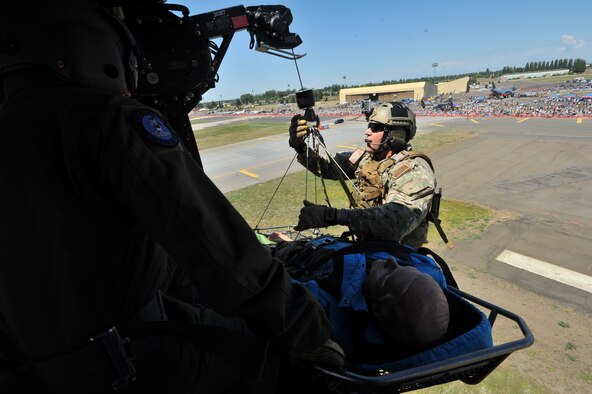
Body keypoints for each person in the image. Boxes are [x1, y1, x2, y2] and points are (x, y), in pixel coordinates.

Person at [0, 1, 335, 393]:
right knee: (280, 370)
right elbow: (212, 244)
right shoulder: (108, 119)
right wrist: (306, 331)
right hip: (129, 364)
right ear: (95, 51)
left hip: (28, 376)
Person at [288, 102, 437, 248]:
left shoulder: (414, 170)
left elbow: (395, 222)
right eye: (369, 126)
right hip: (368, 247)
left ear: (396, 134)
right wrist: (300, 146)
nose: (367, 132)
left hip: (399, 258)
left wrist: (333, 216)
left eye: (375, 128)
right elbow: (328, 167)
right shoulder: (367, 158)